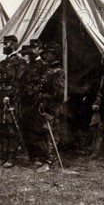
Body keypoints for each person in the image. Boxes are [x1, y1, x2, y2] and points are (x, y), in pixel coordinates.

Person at [0, 35, 26, 168]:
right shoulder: (3, 62)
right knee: (1, 128)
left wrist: (10, 96)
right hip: (0, 97)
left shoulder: (20, 62)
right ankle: (2, 156)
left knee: (11, 129)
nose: (3, 47)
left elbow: (19, 82)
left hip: (11, 99)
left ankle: (11, 157)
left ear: (13, 45)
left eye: (6, 44)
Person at [35, 42, 65, 171]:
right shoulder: (48, 69)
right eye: (45, 53)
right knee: (46, 133)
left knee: (51, 134)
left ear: (54, 55)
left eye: (47, 53)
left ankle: (51, 162)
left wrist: (49, 108)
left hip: (53, 107)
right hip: (45, 105)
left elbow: (58, 93)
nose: (45, 55)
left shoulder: (58, 71)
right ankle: (49, 160)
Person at [18, 39, 48, 165]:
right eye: (31, 48)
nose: (31, 51)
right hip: (26, 101)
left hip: (36, 100)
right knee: (26, 129)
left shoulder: (44, 65)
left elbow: (44, 84)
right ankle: (32, 156)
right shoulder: (28, 65)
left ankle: (40, 157)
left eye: (34, 48)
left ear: (40, 50)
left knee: (36, 130)